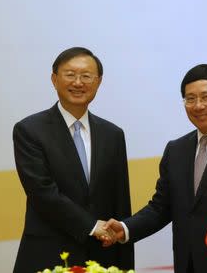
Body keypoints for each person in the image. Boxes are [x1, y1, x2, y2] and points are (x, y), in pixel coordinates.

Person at [103, 64, 207, 273]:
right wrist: (125, 228)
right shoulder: (176, 150)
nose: (198, 106)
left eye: (206, 97)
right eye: (190, 99)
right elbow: (161, 207)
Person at [12, 47, 134, 273]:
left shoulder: (113, 134)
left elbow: (120, 202)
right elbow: (42, 192)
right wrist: (91, 226)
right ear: (54, 79)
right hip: (49, 255)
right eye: (70, 74)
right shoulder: (29, 130)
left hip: (103, 256)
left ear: (98, 82)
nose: (78, 82)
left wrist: (125, 263)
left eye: (86, 76)